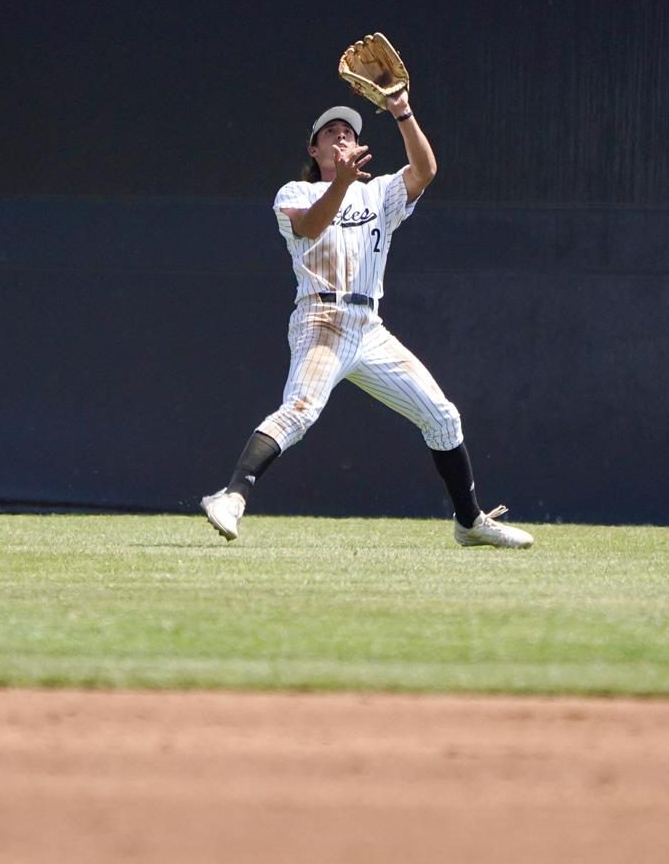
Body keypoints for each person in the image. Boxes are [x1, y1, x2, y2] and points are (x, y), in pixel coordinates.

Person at [199, 87, 534, 549]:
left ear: (359, 147)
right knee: (300, 411)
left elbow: (426, 171)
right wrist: (340, 181)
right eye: (330, 132)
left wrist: (402, 111)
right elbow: (311, 226)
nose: (341, 137)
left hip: (370, 329)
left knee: (442, 417)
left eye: (349, 132)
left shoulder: (379, 192)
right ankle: (232, 496)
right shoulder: (296, 192)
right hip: (321, 319)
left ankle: (470, 521)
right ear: (314, 149)